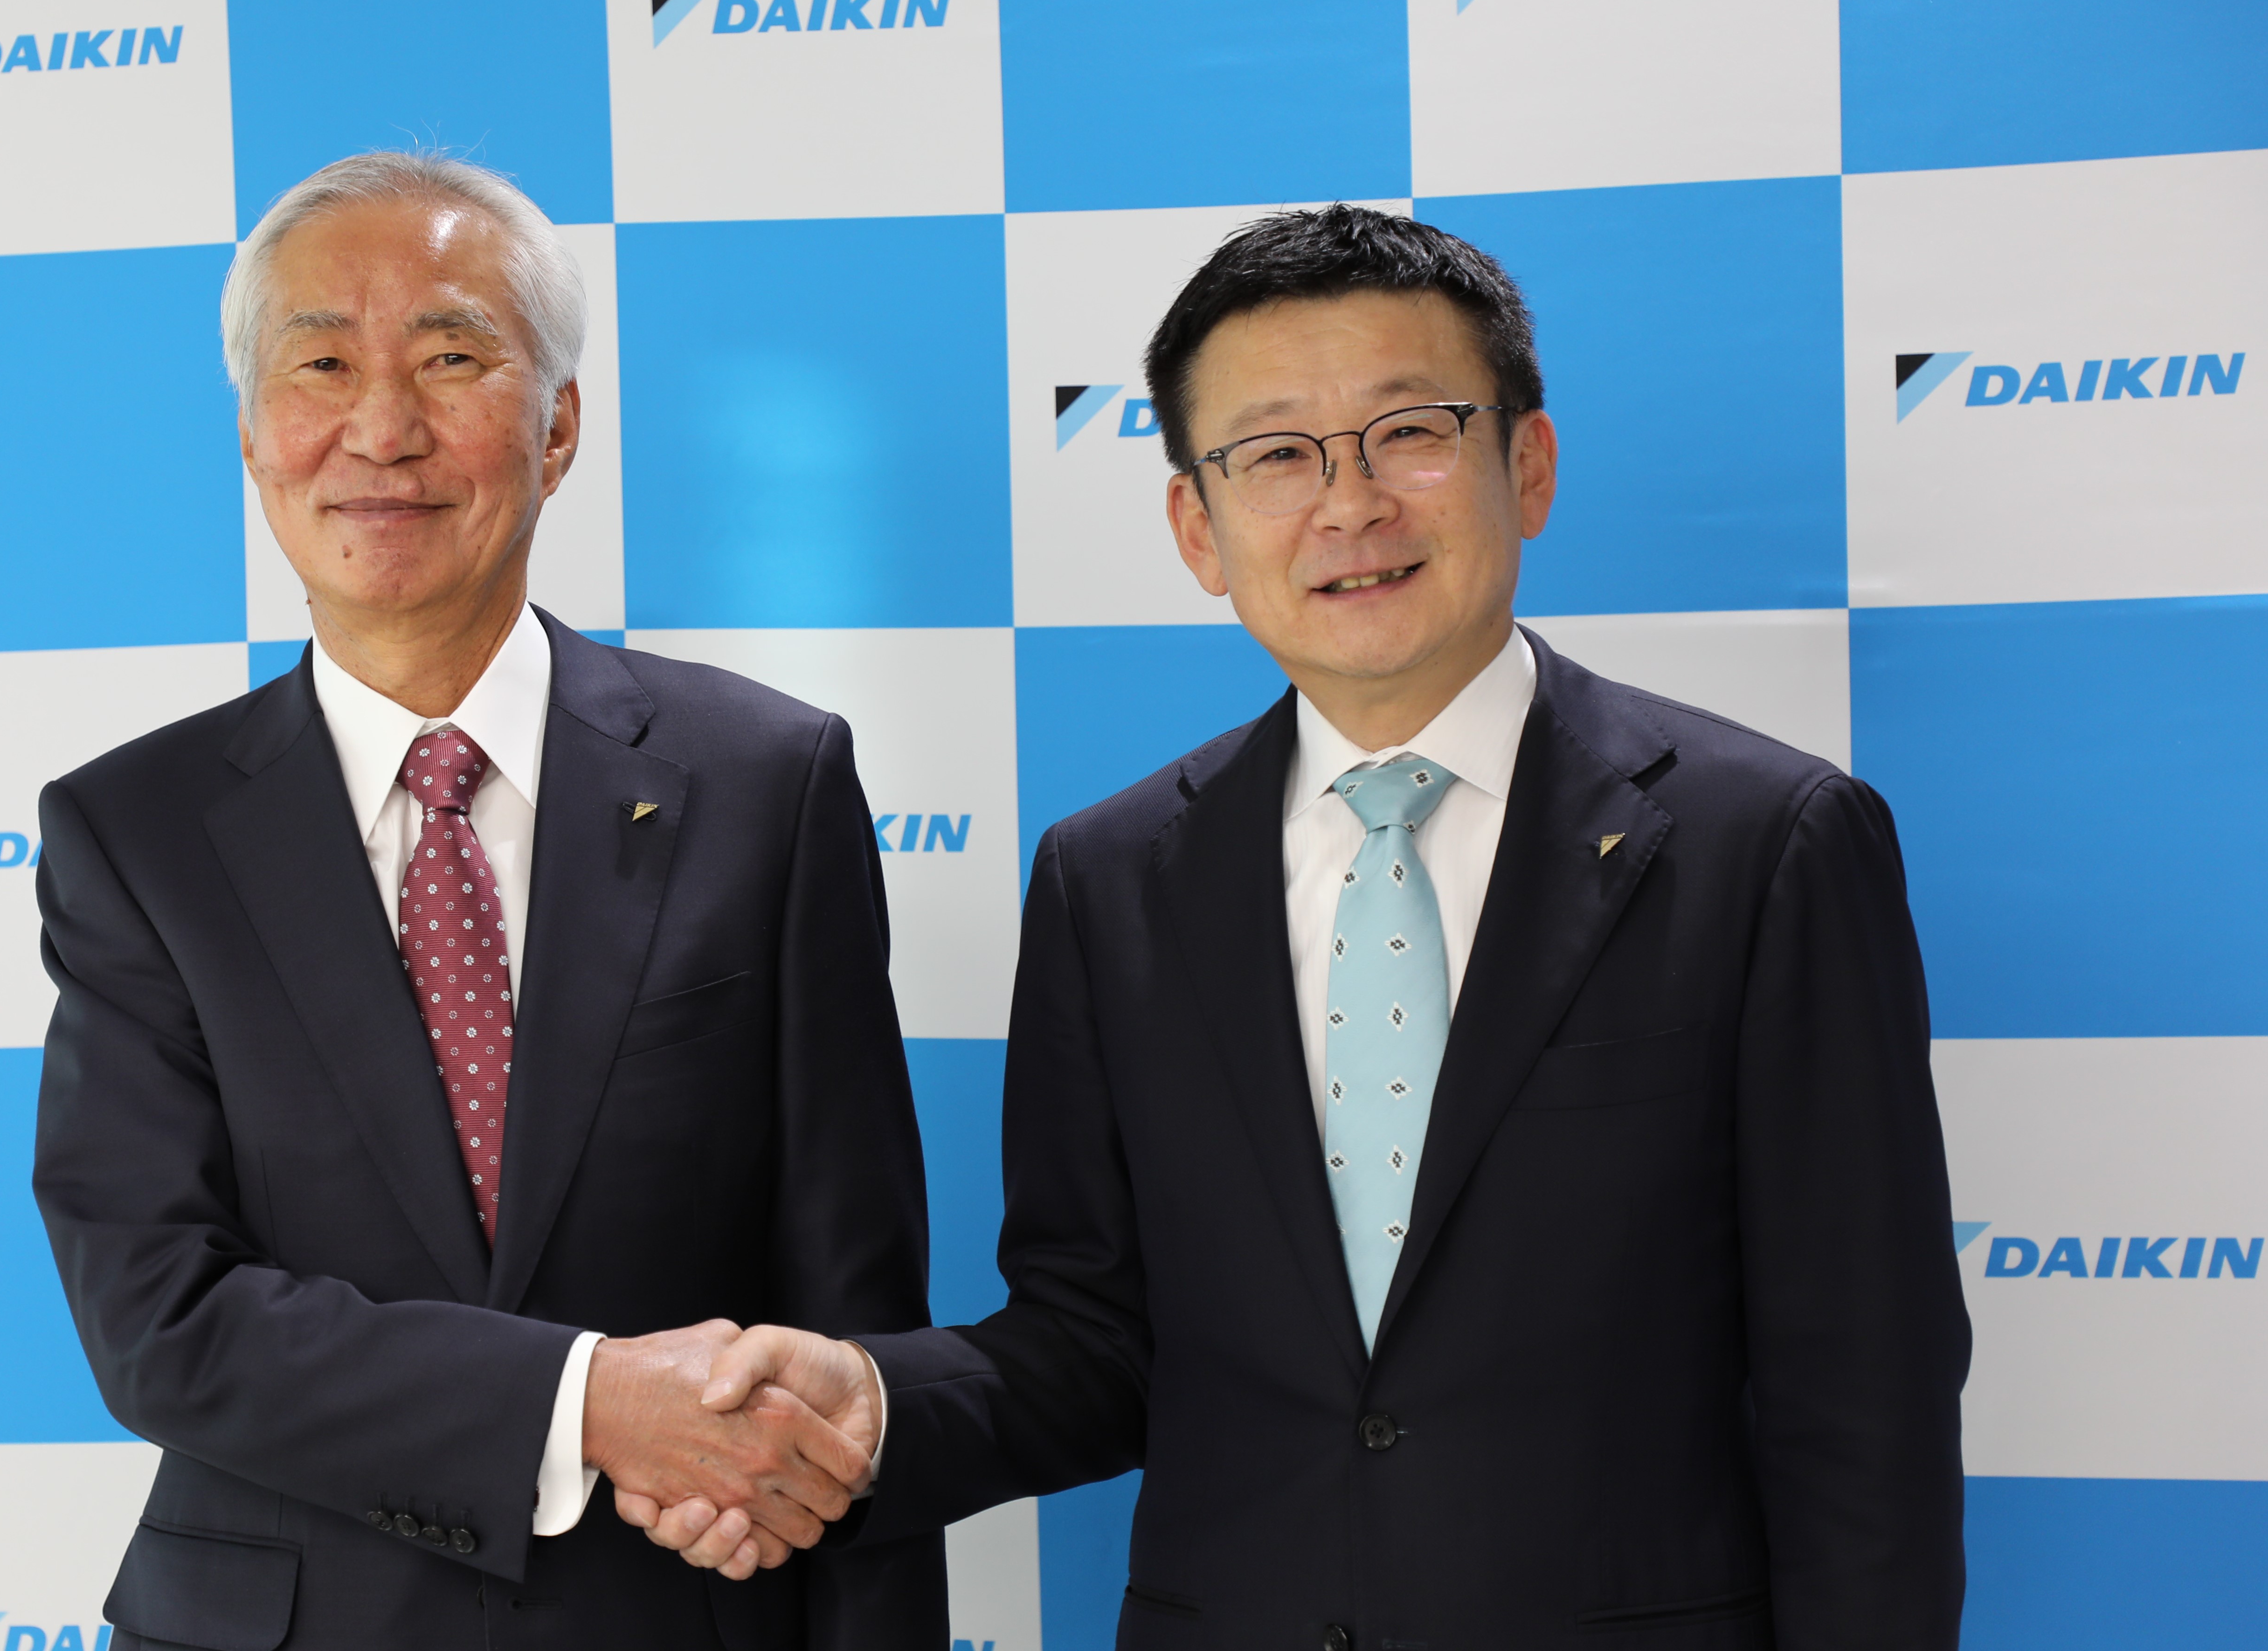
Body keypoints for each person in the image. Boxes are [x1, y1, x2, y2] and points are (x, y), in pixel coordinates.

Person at [641, 206, 1973, 1647]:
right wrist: (872, 1411)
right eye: (1274, 455)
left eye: (1409, 432)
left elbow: (1865, 1394)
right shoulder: (1110, 878)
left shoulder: (1763, 845)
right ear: (1195, 529)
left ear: (1526, 465)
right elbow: (1095, 1342)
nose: (1348, 505)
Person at [32, 152, 946, 1650]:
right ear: (255, 434)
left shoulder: (765, 781)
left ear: (559, 425)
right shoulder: (136, 832)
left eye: (450, 359)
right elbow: (158, 1315)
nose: (382, 428)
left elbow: (852, 1332)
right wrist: (589, 1404)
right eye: (322, 365)